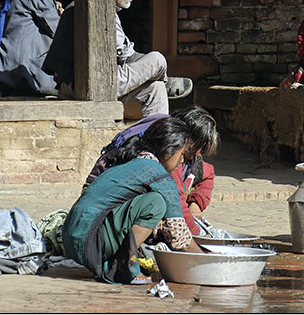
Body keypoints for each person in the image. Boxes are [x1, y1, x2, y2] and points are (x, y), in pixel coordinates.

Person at [62, 115, 206, 285]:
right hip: (88, 243)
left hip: (70, 238)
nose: (182, 161)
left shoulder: (134, 163)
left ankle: (120, 262)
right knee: (156, 203)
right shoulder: (160, 176)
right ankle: (124, 267)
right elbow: (180, 236)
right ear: (169, 150)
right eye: (181, 154)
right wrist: (204, 259)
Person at [43, 0, 193, 116]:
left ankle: (158, 137)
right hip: (90, 85)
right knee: (157, 59)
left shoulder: (77, 6)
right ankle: (165, 81)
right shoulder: (102, 11)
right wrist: (151, 69)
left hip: (73, 85)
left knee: (155, 88)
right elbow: (126, 56)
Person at [83, 106, 220, 234]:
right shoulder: (163, 153)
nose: (193, 155)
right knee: (156, 203)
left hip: (94, 208)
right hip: (100, 211)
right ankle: (128, 255)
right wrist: (198, 237)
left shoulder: (183, 153)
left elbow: (207, 174)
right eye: (194, 149)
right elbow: (175, 203)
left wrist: (196, 203)